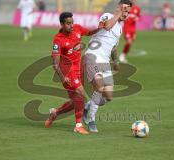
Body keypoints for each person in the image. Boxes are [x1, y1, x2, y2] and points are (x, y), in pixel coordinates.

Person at [44, 12, 101, 135]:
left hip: (78, 69)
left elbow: (89, 33)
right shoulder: (58, 39)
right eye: (68, 23)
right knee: (81, 94)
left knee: (77, 100)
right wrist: (62, 77)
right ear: (62, 24)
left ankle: (56, 113)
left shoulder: (78, 29)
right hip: (67, 70)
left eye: (72, 22)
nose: (71, 25)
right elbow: (55, 63)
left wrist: (99, 28)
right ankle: (78, 125)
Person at [83, 0, 132, 133]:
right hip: (93, 55)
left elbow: (114, 47)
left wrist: (115, 60)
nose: (125, 13)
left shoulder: (121, 28)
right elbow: (107, 26)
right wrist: (118, 13)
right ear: (119, 8)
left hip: (104, 61)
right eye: (124, 9)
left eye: (128, 11)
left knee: (108, 96)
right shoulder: (107, 16)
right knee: (99, 87)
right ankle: (90, 119)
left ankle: (87, 107)